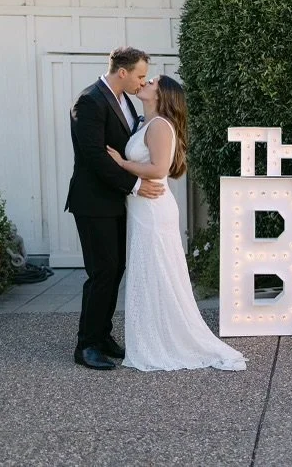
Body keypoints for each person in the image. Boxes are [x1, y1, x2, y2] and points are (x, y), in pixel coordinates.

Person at [107, 75, 247, 371]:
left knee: (158, 273)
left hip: (153, 210)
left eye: (152, 82)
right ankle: (153, 337)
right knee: (151, 274)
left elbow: (159, 170)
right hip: (143, 209)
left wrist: (121, 163)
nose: (145, 82)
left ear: (162, 95)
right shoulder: (146, 123)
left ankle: (163, 342)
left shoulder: (160, 126)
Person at [66, 47, 165, 371]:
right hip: (93, 202)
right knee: (102, 272)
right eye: (139, 75)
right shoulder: (89, 101)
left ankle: (102, 334)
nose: (142, 82)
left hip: (115, 201)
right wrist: (135, 185)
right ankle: (86, 345)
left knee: (115, 268)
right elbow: (95, 157)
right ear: (122, 72)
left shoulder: (124, 100)